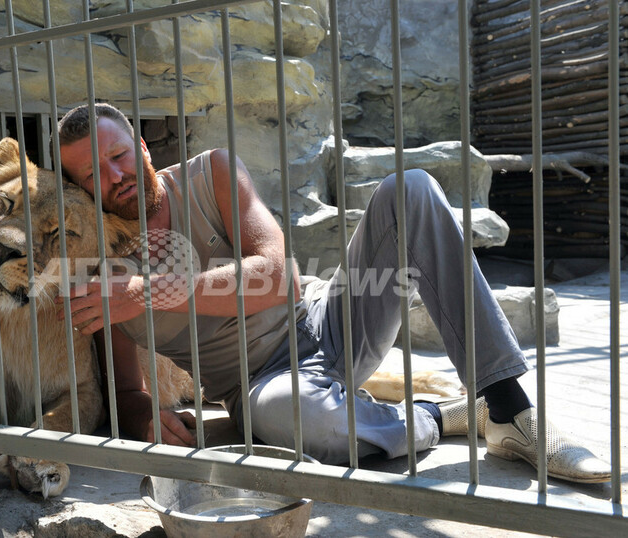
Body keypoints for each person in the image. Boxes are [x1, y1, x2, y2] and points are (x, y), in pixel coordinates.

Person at [56, 102, 610, 483]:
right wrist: (146, 420)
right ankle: (448, 417)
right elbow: (125, 392)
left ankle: (510, 408)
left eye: (118, 155)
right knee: (299, 419)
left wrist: (148, 292)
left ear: (143, 145)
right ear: (77, 188)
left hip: (328, 320)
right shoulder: (101, 271)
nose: (114, 176)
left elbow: (279, 277)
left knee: (411, 188)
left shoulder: (211, 173)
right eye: (91, 174)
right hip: (262, 385)